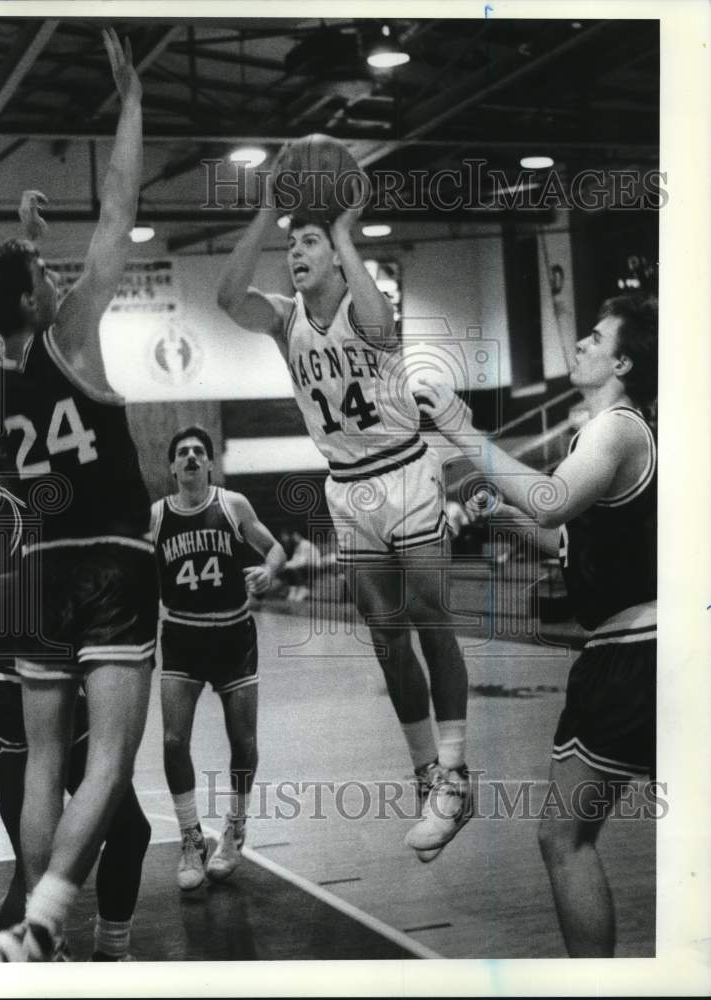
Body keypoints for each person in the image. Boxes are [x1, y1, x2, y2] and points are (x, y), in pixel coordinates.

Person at [0, 30, 158, 962]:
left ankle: (47, 937)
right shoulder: (72, 329)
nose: (54, 275)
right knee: (110, 760)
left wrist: (24, 247)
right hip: (111, 557)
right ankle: (44, 916)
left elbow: (12, 310)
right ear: (41, 301)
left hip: (37, 577)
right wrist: (130, 104)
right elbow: (119, 210)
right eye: (44, 275)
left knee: (46, 761)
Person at [217, 161, 473, 861]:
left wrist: (342, 227)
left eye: (307, 244)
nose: (294, 255)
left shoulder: (365, 299)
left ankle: (455, 769)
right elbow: (224, 296)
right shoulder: (283, 318)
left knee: (430, 621)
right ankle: (428, 777)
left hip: (404, 472)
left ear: (333, 252)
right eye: (290, 246)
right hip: (348, 487)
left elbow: (381, 322)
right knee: (387, 638)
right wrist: (268, 212)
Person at [414, 294, 657, 956]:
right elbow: (564, 542)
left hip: (636, 654)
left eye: (595, 338)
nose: (579, 343)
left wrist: (462, 431)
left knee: (562, 837)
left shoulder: (617, 428)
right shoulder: (607, 435)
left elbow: (551, 503)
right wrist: (495, 508)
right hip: (639, 649)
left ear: (624, 362)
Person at [0, 481, 150, 962]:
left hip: (67, 685)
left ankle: (111, 956)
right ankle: (30, 969)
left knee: (130, 831)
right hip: (9, 691)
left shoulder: (78, 501)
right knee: (33, 871)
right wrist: (50, 581)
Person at [151, 427, 285, 888]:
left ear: (209, 464)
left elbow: (275, 549)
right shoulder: (156, 518)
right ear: (172, 467)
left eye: (198, 452)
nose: (190, 457)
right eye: (182, 452)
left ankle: (235, 827)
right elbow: (136, 576)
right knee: (172, 742)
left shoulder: (233, 505)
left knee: (243, 744)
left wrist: (269, 571)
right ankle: (191, 839)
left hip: (233, 637)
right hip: (183, 637)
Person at [279, 527, 322, 601]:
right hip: (306, 566)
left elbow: (302, 562)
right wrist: (285, 565)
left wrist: (286, 565)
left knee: (294, 570)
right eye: (293, 536)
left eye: (295, 536)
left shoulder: (305, 544)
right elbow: (295, 560)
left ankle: (301, 591)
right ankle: (293, 591)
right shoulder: (298, 546)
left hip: (314, 566)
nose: (293, 538)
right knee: (289, 570)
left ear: (299, 536)